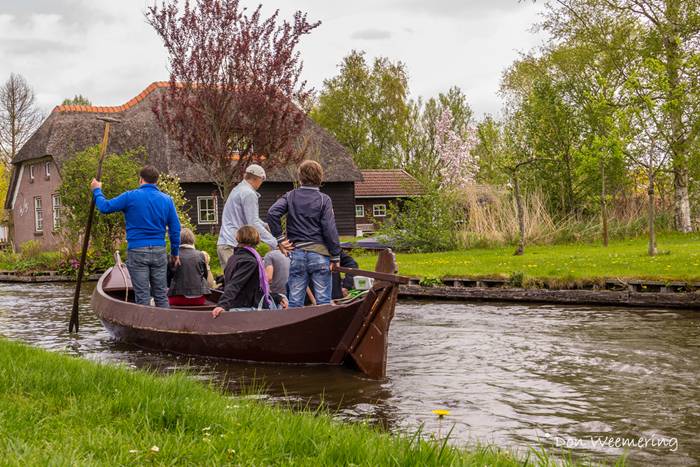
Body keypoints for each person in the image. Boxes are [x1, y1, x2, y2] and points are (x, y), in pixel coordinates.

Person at [91, 165, 181, 308]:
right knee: (161, 295)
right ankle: (163, 326)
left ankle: (145, 327)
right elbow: (175, 229)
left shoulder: (130, 196)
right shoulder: (167, 200)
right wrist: (175, 253)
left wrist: (97, 190)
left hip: (137, 250)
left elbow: (105, 207)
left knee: (142, 295)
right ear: (156, 181)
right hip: (159, 250)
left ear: (140, 180)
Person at [267, 160, 341, 307]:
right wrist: (335, 255)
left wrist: (280, 239)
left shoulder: (290, 196)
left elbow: (272, 213)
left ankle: (295, 328)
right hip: (320, 254)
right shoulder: (324, 200)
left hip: (298, 254)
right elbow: (329, 228)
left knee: (294, 302)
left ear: (300, 177)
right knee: (324, 301)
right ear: (320, 177)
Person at [216, 164, 291, 268]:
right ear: (258, 178)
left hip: (226, 242)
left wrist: (264, 225)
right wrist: (276, 242)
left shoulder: (238, 190)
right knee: (237, 282)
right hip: (232, 245)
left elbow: (250, 218)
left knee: (232, 280)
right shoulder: (249, 194)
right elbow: (253, 223)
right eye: (262, 181)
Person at [211, 226, 285, 318]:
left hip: (238, 303)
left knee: (279, 297)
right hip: (245, 307)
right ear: (257, 240)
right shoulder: (250, 261)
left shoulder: (233, 258)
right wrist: (222, 305)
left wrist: (276, 297)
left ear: (238, 238)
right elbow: (235, 284)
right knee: (283, 300)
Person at [167, 228, 210, 306]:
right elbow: (205, 276)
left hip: (177, 298)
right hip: (199, 299)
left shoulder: (172, 255)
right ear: (192, 239)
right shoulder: (200, 255)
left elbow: (167, 279)